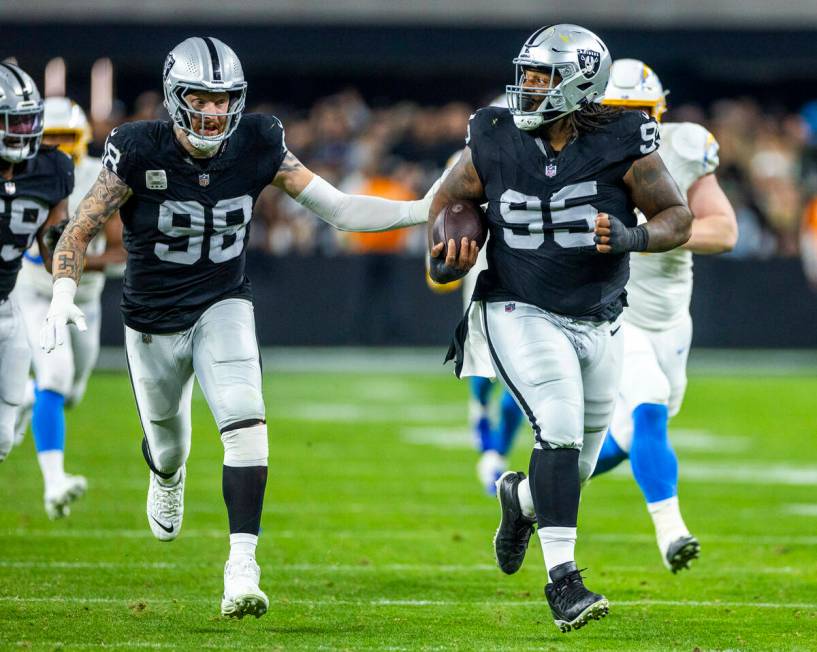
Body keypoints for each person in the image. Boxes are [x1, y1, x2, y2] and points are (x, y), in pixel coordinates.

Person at [40, 37, 431, 619]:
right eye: (202, 98)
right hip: (151, 319)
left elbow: (341, 210)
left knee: (246, 424)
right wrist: (63, 291)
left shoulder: (258, 140)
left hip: (223, 301)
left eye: (225, 101)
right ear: (176, 98)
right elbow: (79, 227)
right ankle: (165, 472)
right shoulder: (137, 147)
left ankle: (241, 566)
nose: (216, 113)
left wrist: (425, 208)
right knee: (170, 446)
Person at [428, 25, 693, 632]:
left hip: (601, 316)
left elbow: (678, 217)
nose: (527, 87)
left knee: (579, 461)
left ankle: (519, 500)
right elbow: (443, 206)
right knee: (561, 428)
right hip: (517, 306)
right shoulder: (491, 136)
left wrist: (633, 237)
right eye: (526, 74)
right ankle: (564, 582)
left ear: (580, 85)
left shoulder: (624, 139)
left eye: (542, 76)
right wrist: (445, 260)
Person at [590, 59, 737, 572]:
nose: (631, 124)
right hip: (614, 308)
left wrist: (650, 235)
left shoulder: (686, 146)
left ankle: (527, 500)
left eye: (641, 113)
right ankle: (672, 531)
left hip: (672, 317)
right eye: (618, 113)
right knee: (648, 405)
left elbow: (724, 230)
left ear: (661, 110)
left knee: (634, 437)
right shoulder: (579, 156)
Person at [14, 97, 127, 519]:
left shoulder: (103, 175)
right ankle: (54, 481)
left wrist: (98, 258)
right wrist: (92, 257)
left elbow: (117, 247)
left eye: (67, 139)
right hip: (39, 290)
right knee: (56, 376)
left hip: (86, 297)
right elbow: (51, 253)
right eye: (52, 139)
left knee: (71, 392)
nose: (59, 149)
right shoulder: (30, 174)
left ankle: (24, 394)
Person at [0, 63, 73, 465]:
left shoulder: (51, 169)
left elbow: (54, 246)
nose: (21, 131)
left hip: (5, 308)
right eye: (11, 121)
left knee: (3, 440)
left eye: (28, 120)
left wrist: (65, 286)